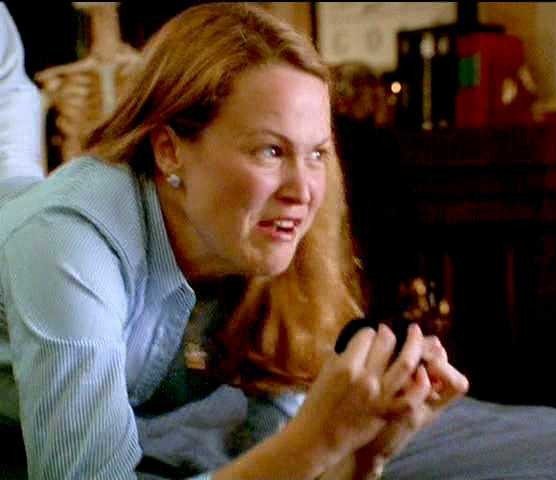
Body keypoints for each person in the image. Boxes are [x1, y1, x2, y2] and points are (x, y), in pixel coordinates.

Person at [0, 3, 468, 479]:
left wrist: (365, 454)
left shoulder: (255, 237)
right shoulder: (69, 243)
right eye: (270, 150)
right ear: (169, 150)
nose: (303, 191)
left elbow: (283, 463)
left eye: (317, 154)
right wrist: (317, 441)